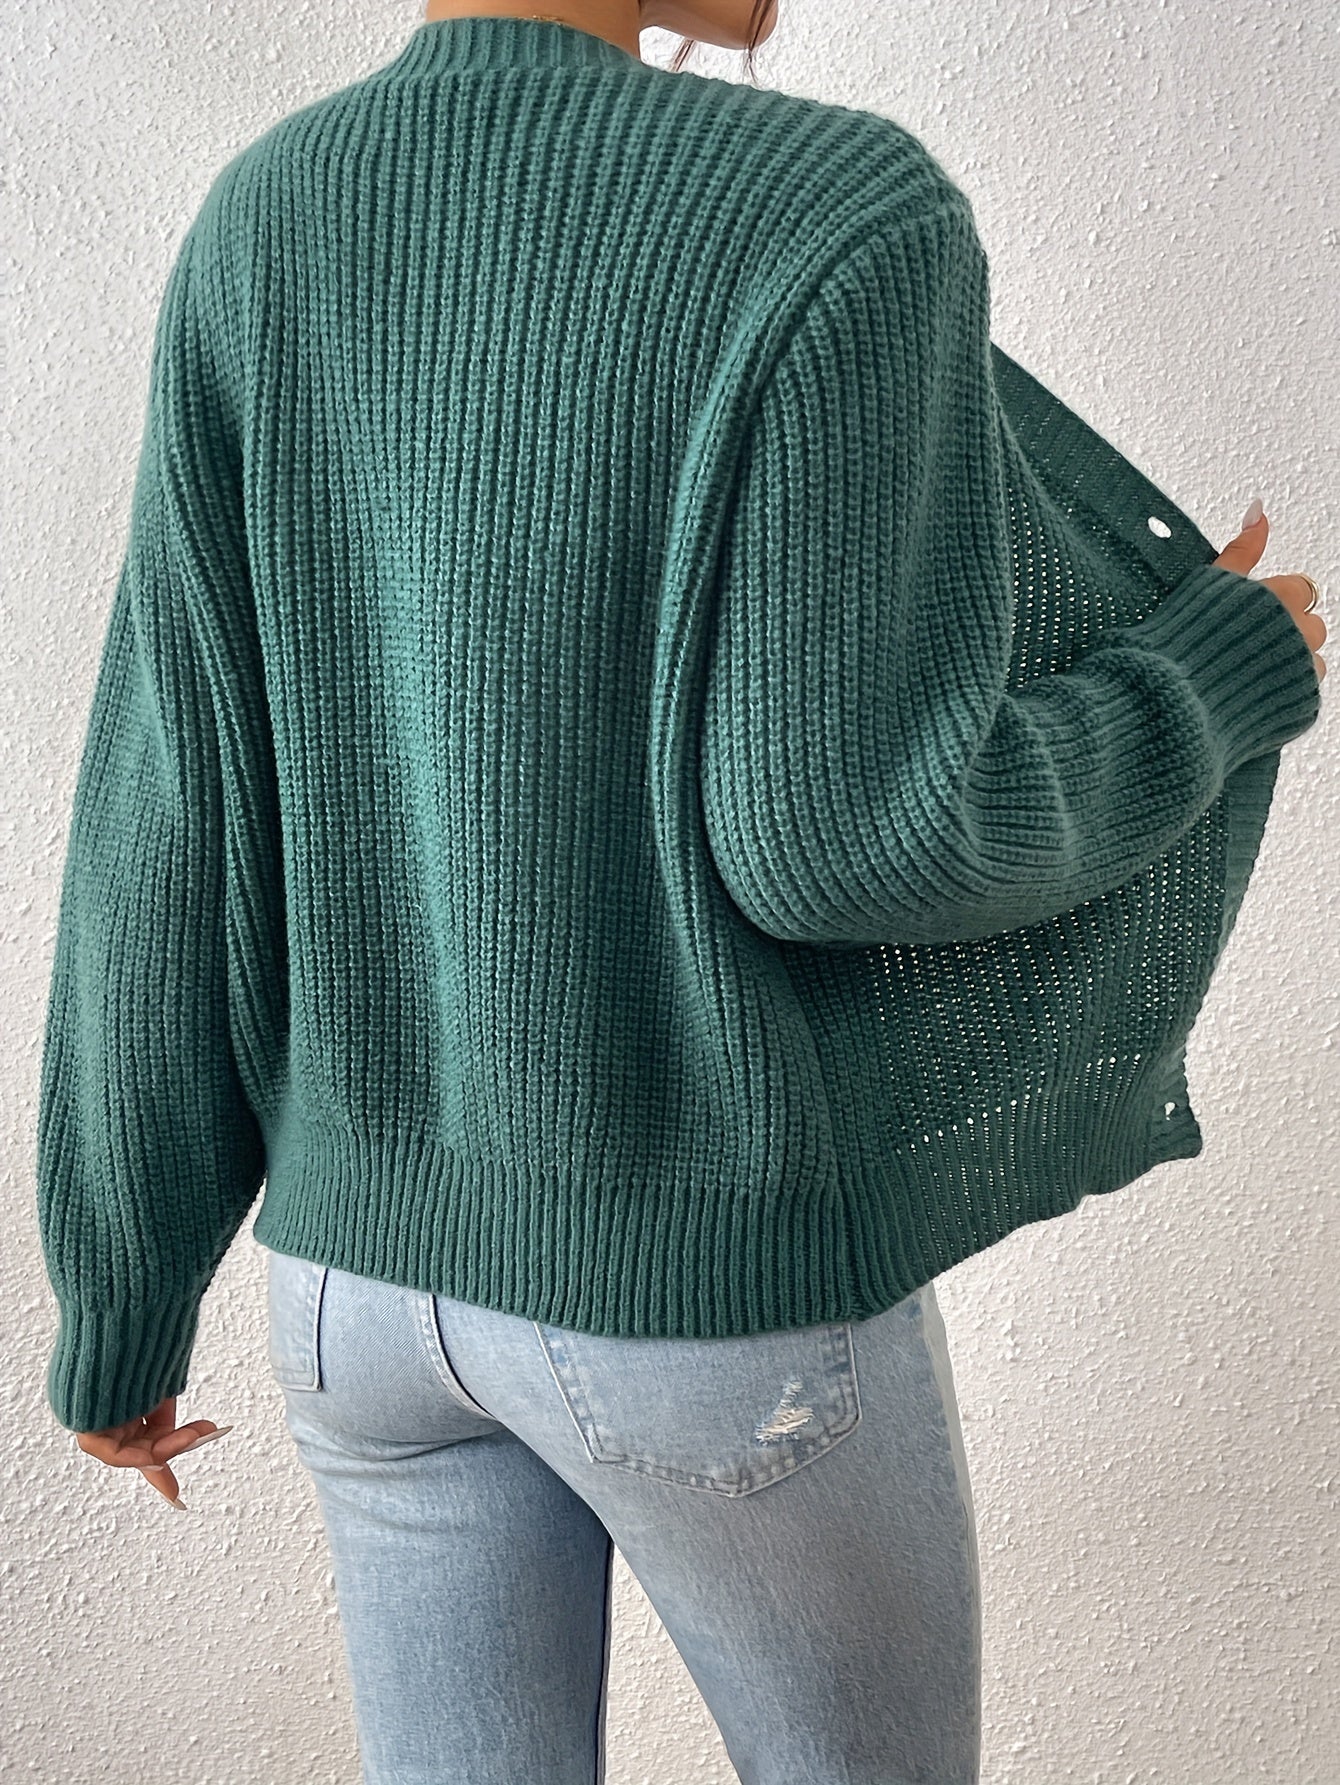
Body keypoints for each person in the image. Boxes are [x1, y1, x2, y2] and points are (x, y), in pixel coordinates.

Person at [37, 2, 1325, 1780]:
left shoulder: (270, 216)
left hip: (356, 1297)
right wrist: (1210, 677)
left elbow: (168, 819)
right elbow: (854, 837)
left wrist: (119, 1301)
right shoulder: (834, 210)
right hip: (700, 1288)